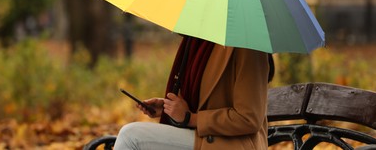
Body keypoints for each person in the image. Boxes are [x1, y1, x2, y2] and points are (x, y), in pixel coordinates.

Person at [114, 36, 273, 150]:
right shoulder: (199, 41)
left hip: (232, 143)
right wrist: (169, 109)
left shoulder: (249, 48)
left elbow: (248, 118)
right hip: (203, 137)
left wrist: (191, 118)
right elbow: (205, 99)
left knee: (131, 136)